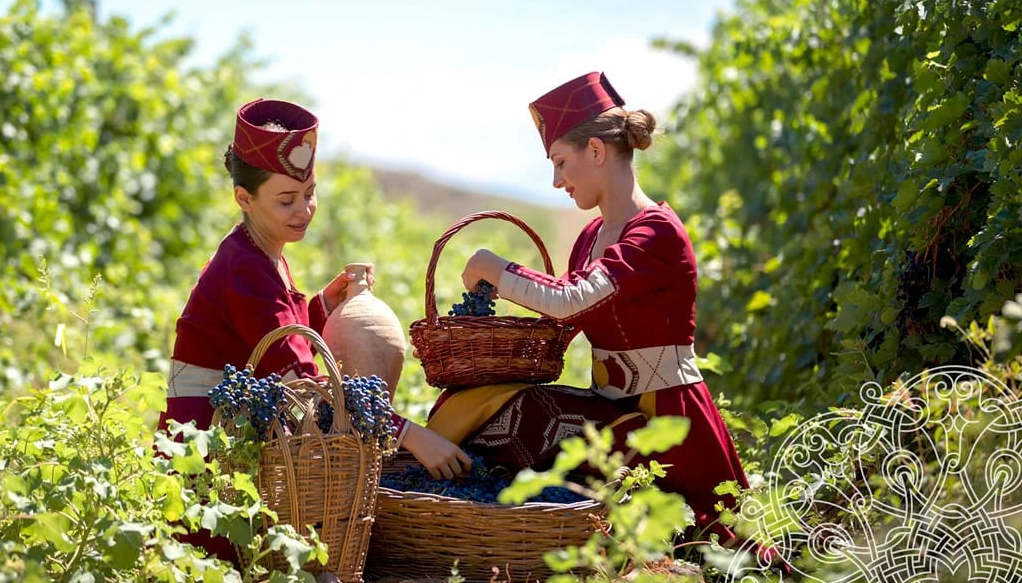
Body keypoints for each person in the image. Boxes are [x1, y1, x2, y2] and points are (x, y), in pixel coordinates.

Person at [428, 72, 761, 555]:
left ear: (598, 152)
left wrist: (494, 268)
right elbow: (561, 320)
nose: (556, 180)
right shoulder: (589, 238)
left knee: (716, 551)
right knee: (496, 413)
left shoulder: (655, 234)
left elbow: (569, 299)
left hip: (669, 420)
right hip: (611, 411)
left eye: (561, 162)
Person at [158, 98, 470, 558]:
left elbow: (277, 336)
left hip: (228, 436)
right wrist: (410, 435)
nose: (304, 209)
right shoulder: (244, 268)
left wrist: (323, 304)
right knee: (224, 568)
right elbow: (306, 384)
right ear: (243, 199)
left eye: (309, 193)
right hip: (208, 447)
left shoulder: (260, 252)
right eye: (286, 200)